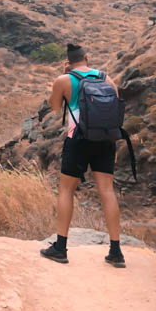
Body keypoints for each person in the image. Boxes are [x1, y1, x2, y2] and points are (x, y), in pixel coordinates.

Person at [40, 43, 126, 267]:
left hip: (77, 139)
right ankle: (116, 251)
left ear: (68, 61)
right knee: (107, 191)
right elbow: (115, 107)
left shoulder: (64, 80)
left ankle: (60, 247)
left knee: (66, 190)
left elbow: (55, 106)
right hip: (105, 140)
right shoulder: (107, 79)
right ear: (87, 57)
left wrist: (64, 76)